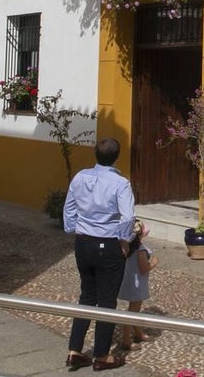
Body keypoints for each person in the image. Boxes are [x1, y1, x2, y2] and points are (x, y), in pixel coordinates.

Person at [63, 137, 136, 371]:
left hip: (83, 243)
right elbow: (127, 217)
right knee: (106, 300)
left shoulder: (80, 177)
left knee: (86, 296)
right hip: (107, 243)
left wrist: (73, 228)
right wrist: (125, 240)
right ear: (117, 157)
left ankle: (75, 351)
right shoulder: (120, 183)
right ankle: (103, 355)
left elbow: (69, 207)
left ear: (95, 153)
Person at [117, 217, 158, 351]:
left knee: (135, 309)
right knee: (133, 310)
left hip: (128, 280)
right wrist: (153, 263)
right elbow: (143, 268)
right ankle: (125, 340)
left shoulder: (127, 247)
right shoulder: (140, 249)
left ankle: (138, 333)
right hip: (137, 283)